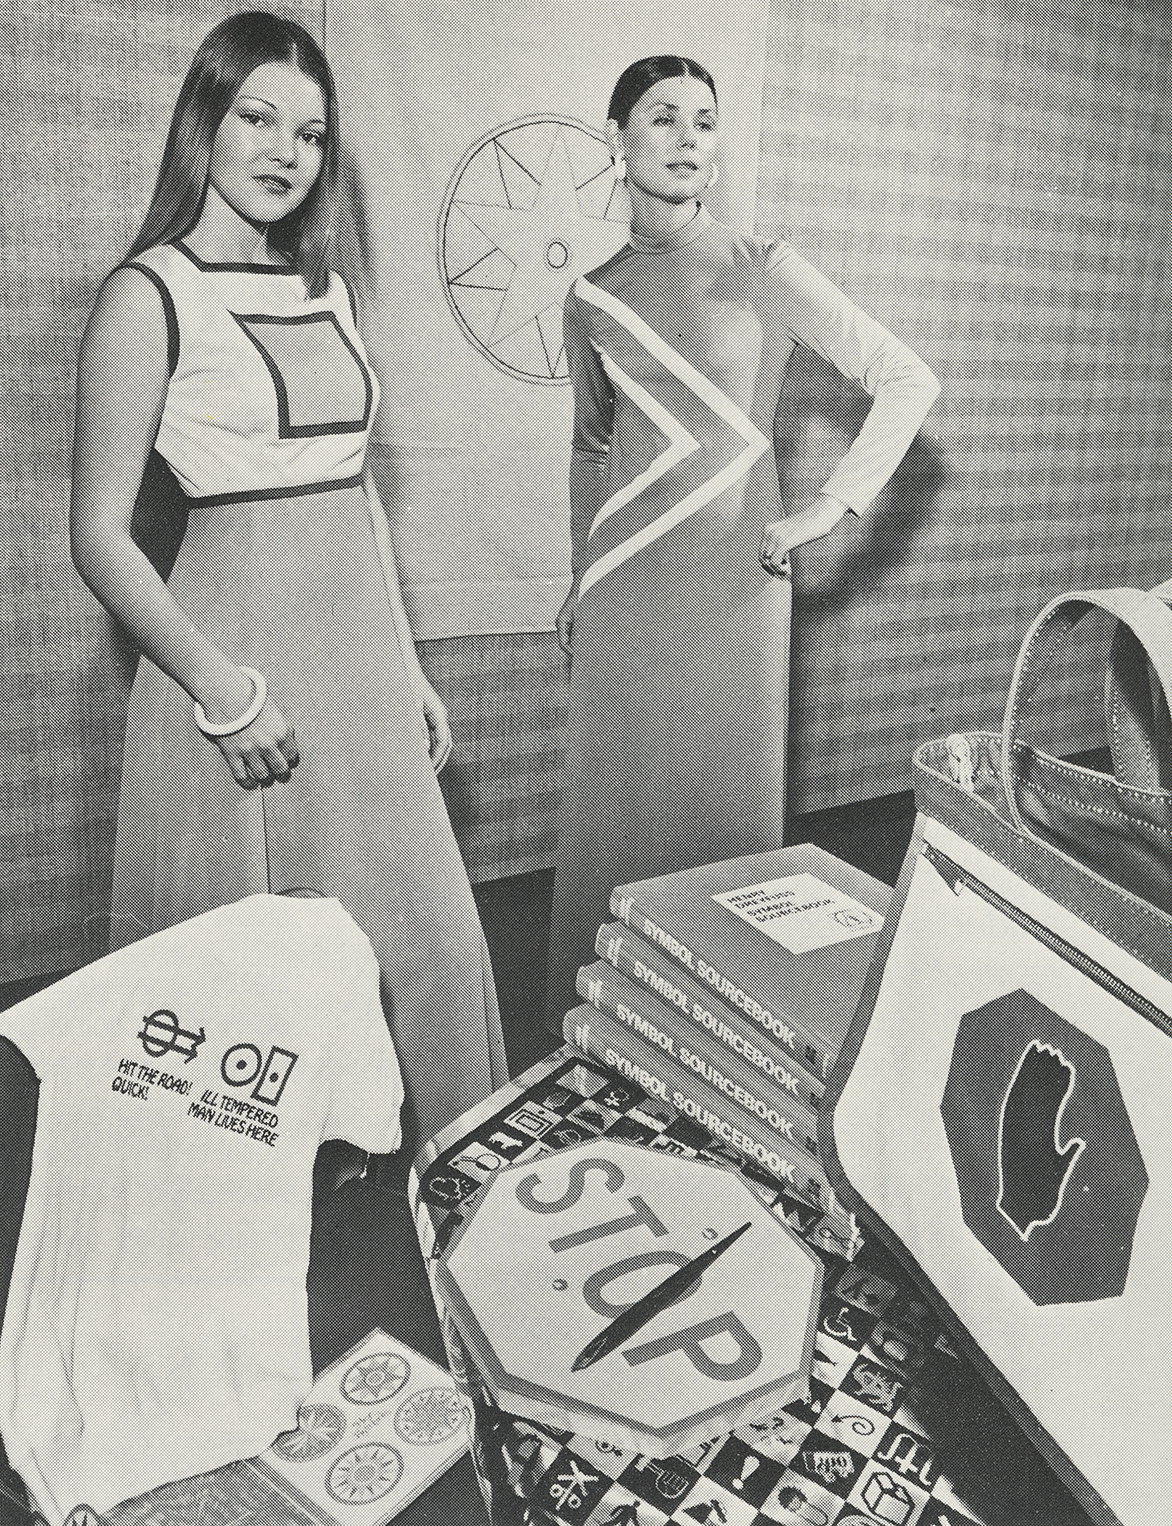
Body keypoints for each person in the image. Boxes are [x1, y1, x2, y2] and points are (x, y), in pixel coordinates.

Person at [70, 11, 507, 1152]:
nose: (282, 151)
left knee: (436, 944)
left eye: (309, 134)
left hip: (357, 664)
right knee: (243, 996)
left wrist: (404, 667)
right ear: (202, 122)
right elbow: (100, 536)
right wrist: (223, 688)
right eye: (257, 117)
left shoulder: (325, 289)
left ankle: (475, 1200)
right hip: (235, 670)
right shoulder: (148, 293)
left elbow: (354, 490)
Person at [547, 56, 940, 1023]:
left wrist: (830, 507)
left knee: (723, 823)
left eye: (706, 122)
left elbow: (905, 379)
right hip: (625, 592)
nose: (688, 139)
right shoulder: (589, 297)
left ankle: (727, 1045)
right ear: (616, 137)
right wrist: (575, 580)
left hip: (735, 586)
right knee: (618, 813)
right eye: (663, 117)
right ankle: (602, 1027)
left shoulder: (764, 268)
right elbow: (592, 449)